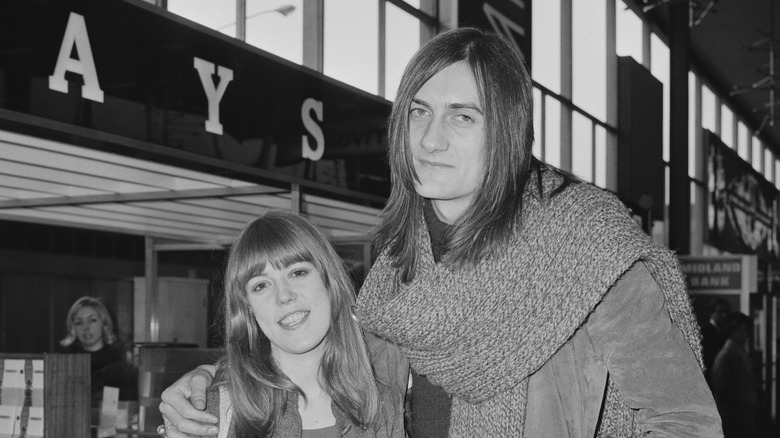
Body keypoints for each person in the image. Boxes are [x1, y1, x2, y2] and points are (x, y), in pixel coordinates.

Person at [159, 28, 722, 437]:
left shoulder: (587, 248)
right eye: (418, 112)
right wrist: (211, 380)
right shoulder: (399, 267)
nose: (430, 140)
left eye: (462, 116)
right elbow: (329, 361)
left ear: (504, 130)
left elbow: (684, 422)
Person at [157, 211, 405, 438]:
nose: (284, 295)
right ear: (248, 309)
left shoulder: (386, 385)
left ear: (329, 282)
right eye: (261, 285)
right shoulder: (213, 412)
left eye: (297, 273)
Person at [59, 296, 138, 406]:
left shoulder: (121, 368)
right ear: (73, 329)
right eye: (79, 322)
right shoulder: (65, 366)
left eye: (92, 320)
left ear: (104, 324)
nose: (85, 327)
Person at [711, 312, 760, 437]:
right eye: (742, 331)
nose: (746, 336)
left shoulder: (738, 353)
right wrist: (750, 397)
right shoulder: (726, 357)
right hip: (734, 417)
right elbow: (724, 391)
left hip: (743, 415)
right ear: (732, 333)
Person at [700, 298, 732, 383]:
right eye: (720, 312)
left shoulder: (726, 333)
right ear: (711, 313)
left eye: (727, 312)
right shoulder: (703, 333)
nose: (724, 316)